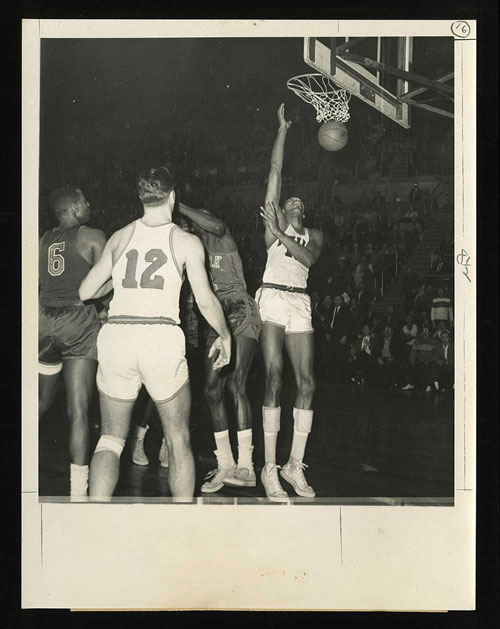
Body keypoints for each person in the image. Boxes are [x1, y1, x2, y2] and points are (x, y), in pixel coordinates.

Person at [79, 166, 231, 501]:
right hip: (159, 335)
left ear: (141, 197)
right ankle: (179, 526)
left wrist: (114, 282)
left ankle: (92, 521)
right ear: (172, 198)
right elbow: (205, 300)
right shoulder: (185, 241)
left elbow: (86, 291)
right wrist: (225, 335)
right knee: (178, 439)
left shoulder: (120, 237)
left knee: (110, 440)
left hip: (118, 333)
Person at [256, 103, 324, 501]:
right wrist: (282, 129)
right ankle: (269, 467)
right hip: (273, 298)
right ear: (281, 210)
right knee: (274, 378)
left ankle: (294, 466)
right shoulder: (273, 227)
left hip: (300, 301)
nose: (294, 202)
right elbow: (276, 173)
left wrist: (282, 237)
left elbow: (309, 259)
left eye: (299, 202)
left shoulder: (312, 234)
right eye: (288, 202)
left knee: (308, 383)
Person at [177, 200, 262, 493]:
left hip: (242, 308)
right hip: (218, 317)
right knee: (211, 389)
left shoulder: (221, 238)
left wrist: (181, 206)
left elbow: (217, 224)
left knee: (236, 385)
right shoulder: (193, 254)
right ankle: (225, 462)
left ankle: (247, 465)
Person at [39, 186, 108, 497]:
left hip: (42, 320)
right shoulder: (92, 236)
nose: (90, 204)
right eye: (85, 201)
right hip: (77, 320)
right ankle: (78, 493)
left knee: (38, 402)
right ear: (74, 208)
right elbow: (109, 286)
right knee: (78, 409)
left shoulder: (40, 239)